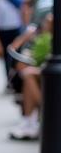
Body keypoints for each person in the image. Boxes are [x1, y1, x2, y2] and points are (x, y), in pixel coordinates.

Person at [8, 10, 53, 141]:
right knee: (28, 75)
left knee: (28, 75)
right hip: (42, 73)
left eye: (48, 22)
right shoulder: (42, 38)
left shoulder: (46, 39)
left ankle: (40, 116)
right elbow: (13, 51)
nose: (44, 23)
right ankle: (30, 121)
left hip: (45, 74)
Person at [0, 0, 25, 90]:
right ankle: (11, 80)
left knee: (11, 58)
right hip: (10, 31)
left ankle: (13, 80)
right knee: (11, 58)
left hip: (9, 31)